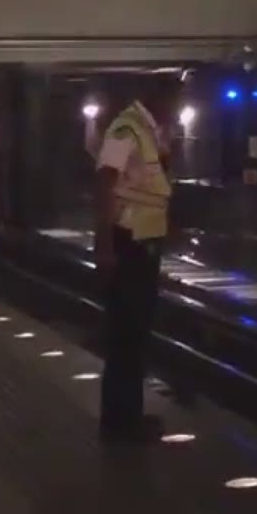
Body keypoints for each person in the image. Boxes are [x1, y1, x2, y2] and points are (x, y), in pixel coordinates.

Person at [92, 80, 174, 443]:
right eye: (174, 100)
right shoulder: (126, 128)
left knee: (135, 333)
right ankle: (120, 420)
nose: (175, 108)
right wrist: (104, 245)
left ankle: (128, 415)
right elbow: (105, 183)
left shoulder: (148, 131)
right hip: (129, 244)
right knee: (126, 333)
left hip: (143, 242)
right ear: (157, 97)